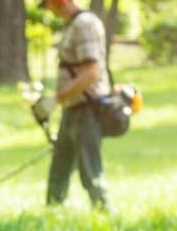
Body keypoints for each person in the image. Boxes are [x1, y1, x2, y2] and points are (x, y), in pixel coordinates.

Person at [40, 0, 111, 210]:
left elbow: (91, 73)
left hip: (87, 108)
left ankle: (104, 212)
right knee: (60, 167)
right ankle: (53, 213)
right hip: (72, 108)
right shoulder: (72, 25)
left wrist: (56, 99)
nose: (48, 9)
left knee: (90, 169)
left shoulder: (84, 25)